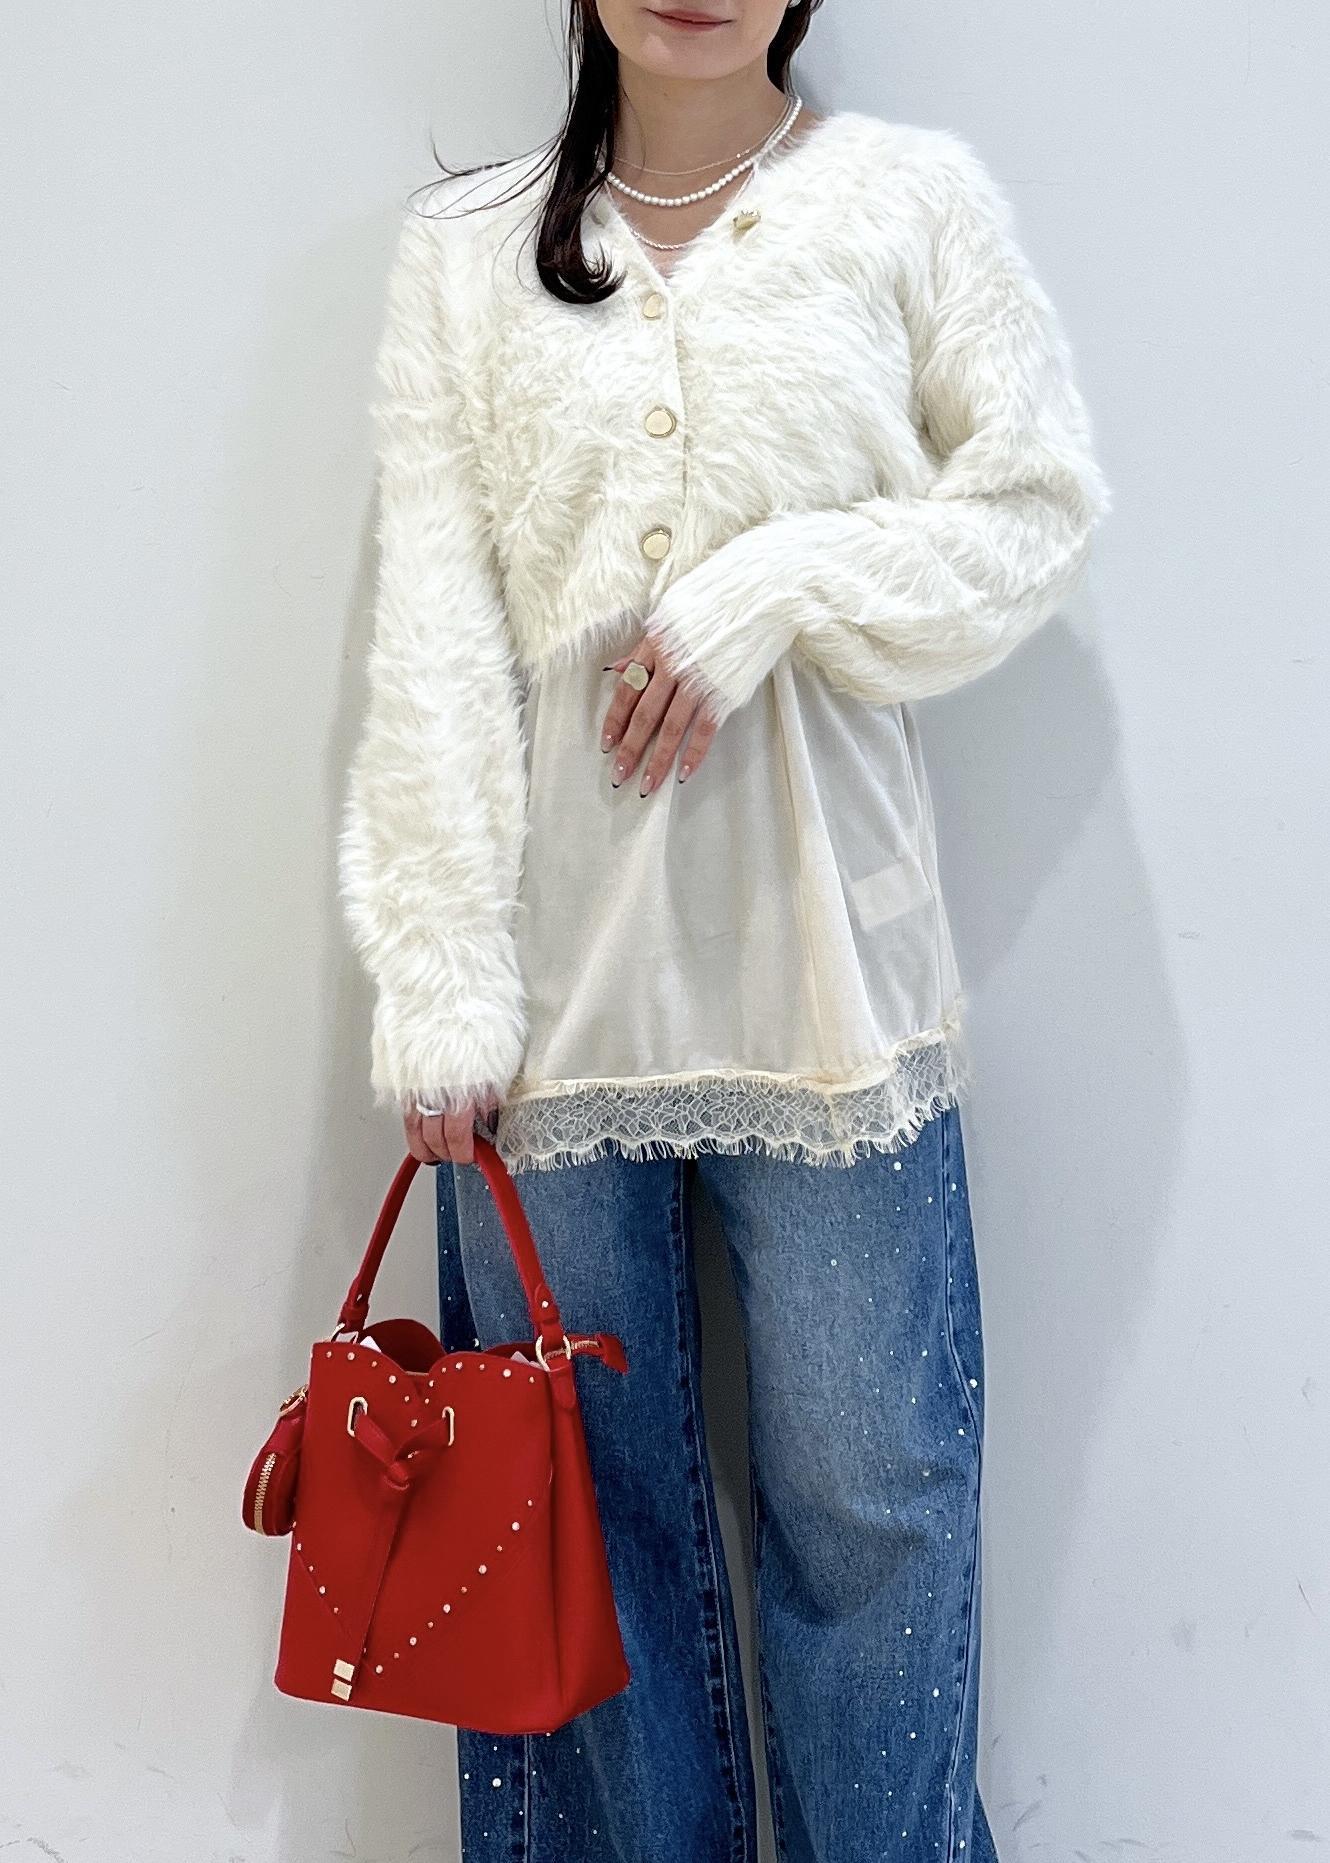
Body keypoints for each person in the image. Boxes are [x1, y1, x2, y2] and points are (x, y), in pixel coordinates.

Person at [337, 1, 1110, 1856]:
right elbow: (435, 630)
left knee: (874, 1500)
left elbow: (1035, 509)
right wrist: (439, 982)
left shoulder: (907, 201)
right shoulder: (465, 250)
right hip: (551, 1002)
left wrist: (780, 579)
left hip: (829, 973)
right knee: (577, 1517)